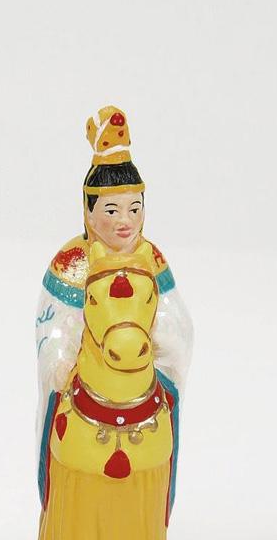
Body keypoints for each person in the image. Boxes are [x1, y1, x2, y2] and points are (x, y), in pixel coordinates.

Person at [34, 105, 193, 513]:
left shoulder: (152, 259)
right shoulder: (73, 263)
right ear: (89, 212)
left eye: (134, 208)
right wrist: (59, 357)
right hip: (87, 384)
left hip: (139, 381)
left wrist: (163, 343)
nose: (125, 221)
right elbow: (53, 322)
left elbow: (174, 318)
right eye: (112, 210)